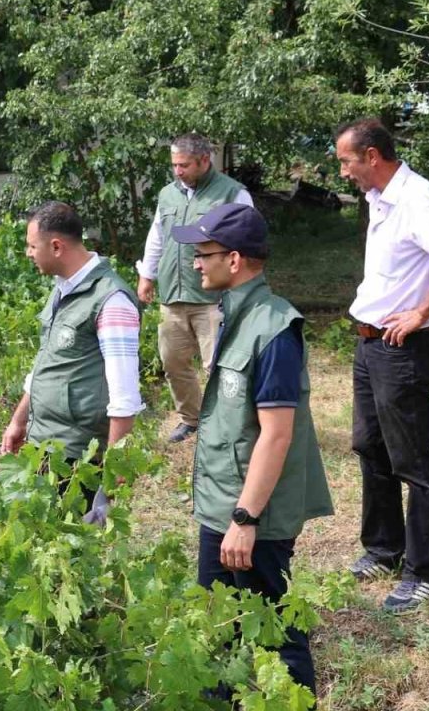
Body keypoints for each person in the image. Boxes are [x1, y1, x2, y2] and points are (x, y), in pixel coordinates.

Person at [172, 202, 333, 698]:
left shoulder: (275, 328)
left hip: (252, 515)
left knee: (275, 633)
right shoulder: (235, 315)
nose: (196, 264)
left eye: (204, 255)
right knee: (220, 628)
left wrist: (245, 519)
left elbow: (277, 434)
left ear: (235, 259)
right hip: (223, 504)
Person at [335, 118, 429, 613]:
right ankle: (384, 549)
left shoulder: (418, 199)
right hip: (370, 344)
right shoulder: (382, 200)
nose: (343, 171)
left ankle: (423, 573)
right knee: (369, 446)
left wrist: (421, 311)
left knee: (412, 461)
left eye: (346, 161)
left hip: (404, 350)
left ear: (372, 155)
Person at [1, 201, 144, 523]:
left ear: (56, 246)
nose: (28, 253)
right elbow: (47, 362)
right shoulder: (63, 291)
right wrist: (20, 420)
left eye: (31, 246)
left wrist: (114, 471)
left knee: (70, 551)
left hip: (78, 455)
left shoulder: (111, 301)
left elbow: (124, 395)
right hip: (44, 442)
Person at [136, 133, 254, 443]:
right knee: (172, 361)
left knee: (219, 366)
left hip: (213, 298)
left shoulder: (233, 194)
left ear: (205, 160)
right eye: (174, 165)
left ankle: (228, 425)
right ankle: (191, 418)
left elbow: (249, 243)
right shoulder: (168, 195)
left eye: (184, 165)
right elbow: (157, 236)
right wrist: (147, 275)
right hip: (172, 296)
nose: (178, 171)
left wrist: (238, 289)